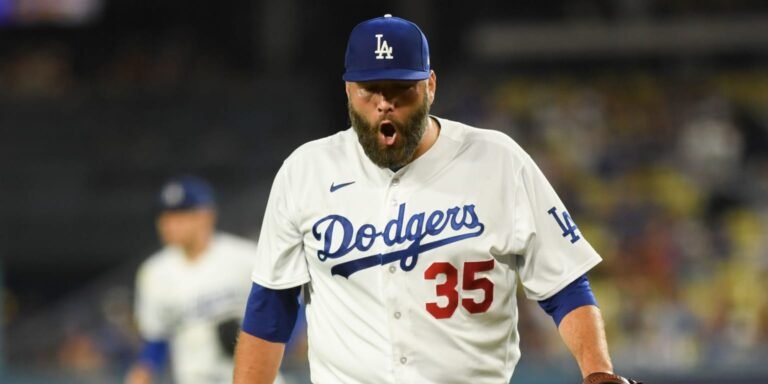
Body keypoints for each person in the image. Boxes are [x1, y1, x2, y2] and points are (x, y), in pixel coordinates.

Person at [233, 14, 641, 384]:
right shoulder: (305, 170)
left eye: (400, 88)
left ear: (430, 85)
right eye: (370, 89)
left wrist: (598, 370)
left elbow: (564, 284)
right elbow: (272, 306)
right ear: (347, 90)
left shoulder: (498, 161)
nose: (384, 103)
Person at [125, 175, 284, 384]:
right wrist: (144, 370)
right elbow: (156, 336)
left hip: (254, 377)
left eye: (180, 216)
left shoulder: (245, 257)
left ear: (205, 216)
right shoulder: (153, 272)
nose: (168, 224)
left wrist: (254, 339)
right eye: (164, 217)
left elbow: (285, 309)